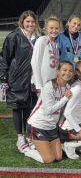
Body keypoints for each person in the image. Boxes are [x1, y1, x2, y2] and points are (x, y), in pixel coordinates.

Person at [0, 10, 41, 154]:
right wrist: (3, 78)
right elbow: (4, 58)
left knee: (30, 108)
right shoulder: (14, 36)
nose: (30, 24)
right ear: (22, 22)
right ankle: (20, 137)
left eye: (32, 21)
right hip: (17, 78)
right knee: (17, 108)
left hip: (33, 80)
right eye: (27, 21)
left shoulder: (38, 38)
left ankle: (28, 136)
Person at [25, 61, 73, 163]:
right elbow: (48, 111)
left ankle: (38, 145)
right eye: (64, 70)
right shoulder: (49, 86)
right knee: (49, 159)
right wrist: (65, 98)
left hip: (51, 127)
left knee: (58, 157)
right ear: (58, 71)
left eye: (70, 71)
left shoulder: (68, 87)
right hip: (38, 125)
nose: (67, 73)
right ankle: (27, 149)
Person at [31, 15, 61, 92]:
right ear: (46, 29)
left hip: (51, 82)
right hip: (42, 83)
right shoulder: (42, 40)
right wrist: (39, 85)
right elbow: (35, 62)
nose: (54, 30)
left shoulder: (55, 43)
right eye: (51, 28)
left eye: (56, 28)